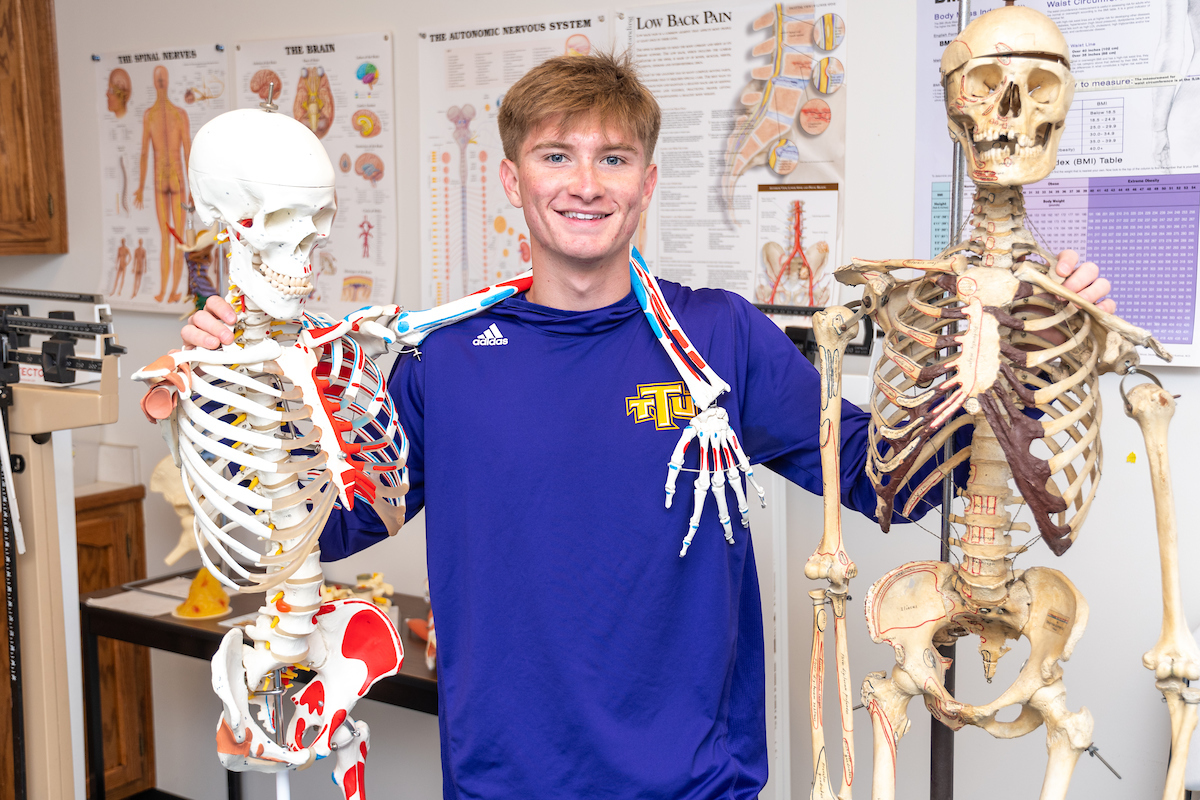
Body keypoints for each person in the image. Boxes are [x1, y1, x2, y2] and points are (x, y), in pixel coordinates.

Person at [183, 53, 1114, 800]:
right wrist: (238, 389)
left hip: (693, 779)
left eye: (612, 158)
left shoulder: (720, 337)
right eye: (556, 156)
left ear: (646, 182)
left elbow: (889, 478)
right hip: (504, 776)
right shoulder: (446, 356)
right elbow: (331, 525)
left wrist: (1031, 360)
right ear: (513, 179)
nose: (584, 184)